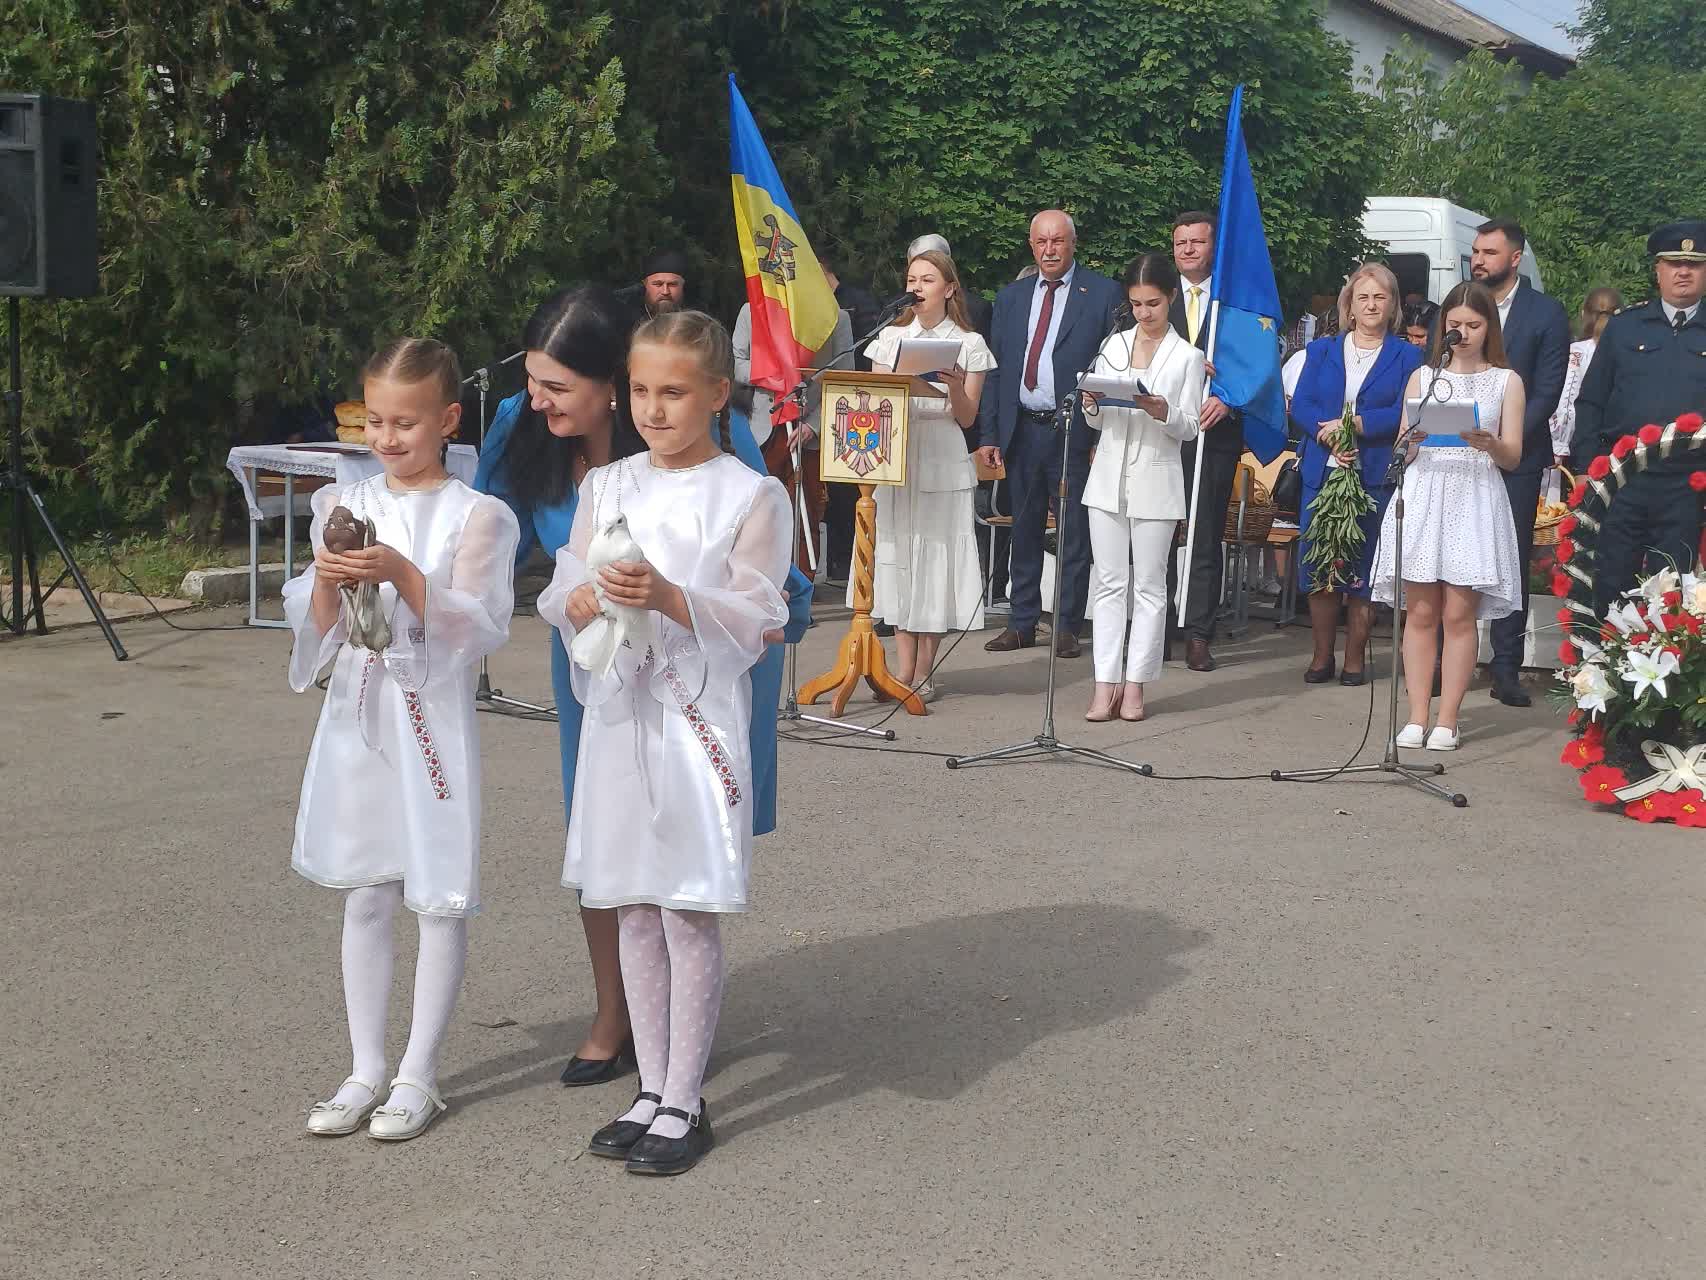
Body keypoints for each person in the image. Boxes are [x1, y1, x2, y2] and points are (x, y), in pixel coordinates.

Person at [475, 287, 810, 1089]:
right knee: (609, 847)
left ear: (605, 385)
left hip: (702, 671)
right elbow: (497, 538)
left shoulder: (724, 463)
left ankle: (676, 1072)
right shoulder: (545, 443)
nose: (537, 400)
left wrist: (688, 604)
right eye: (531, 381)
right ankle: (622, 1026)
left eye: (556, 385)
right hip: (602, 670)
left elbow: (765, 587)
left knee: (686, 868)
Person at [539, 310, 792, 1176]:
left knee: (684, 906)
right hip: (621, 717)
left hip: (694, 724)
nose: (653, 409)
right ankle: (649, 1086)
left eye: (674, 393)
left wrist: (672, 597)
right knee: (633, 905)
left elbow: (760, 613)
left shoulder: (749, 495)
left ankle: (686, 1095)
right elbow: (567, 578)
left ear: (717, 394)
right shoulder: (607, 485)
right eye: (641, 390)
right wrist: (577, 599)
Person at [285, 339, 521, 1141]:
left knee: (437, 892)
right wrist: (328, 580)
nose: (387, 438)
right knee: (367, 888)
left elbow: (480, 625)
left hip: (430, 717)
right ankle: (364, 1066)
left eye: (406, 424)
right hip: (360, 713)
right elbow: (318, 626)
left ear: (448, 420)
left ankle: (420, 1071)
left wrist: (403, 574)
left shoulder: (477, 515)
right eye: (376, 421)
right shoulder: (341, 501)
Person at [1370, 282, 1526, 751]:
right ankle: (1416, 715)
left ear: (1489, 327)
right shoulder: (1424, 377)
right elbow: (1401, 446)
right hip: (1425, 491)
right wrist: (1410, 442)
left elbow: (1514, 455)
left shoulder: (1506, 381)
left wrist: (1490, 443)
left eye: (1473, 325)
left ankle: (1448, 719)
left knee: (1459, 613)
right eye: (1455, 324)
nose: (1463, 333)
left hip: (1473, 493)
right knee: (1420, 611)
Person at [976, 209, 1122, 658]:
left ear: (1073, 243)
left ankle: (1067, 625)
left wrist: (1099, 437)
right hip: (1022, 428)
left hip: (1073, 430)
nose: (1050, 250)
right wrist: (990, 434)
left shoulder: (1101, 293)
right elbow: (996, 371)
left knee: (1073, 531)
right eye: (1041, 242)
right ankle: (1022, 622)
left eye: (1058, 241)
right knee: (1023, 528)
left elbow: (1112, 368)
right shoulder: (1011, 297)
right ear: (1031, 245)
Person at [863, 248, 994, 701]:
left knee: (934, 557)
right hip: (898, 450)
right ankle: (901, 667)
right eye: (912, 280)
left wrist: (955, 385)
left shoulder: (969, 342)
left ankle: (924, 670)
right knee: (899, 554)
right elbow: (876, 397)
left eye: (928, 280)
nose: (917, 287)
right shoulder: (890, 337)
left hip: (942, 448)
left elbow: (967, 416)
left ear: (949, 289)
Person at [1080, 252, 1204, 722]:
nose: (1143, 313)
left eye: (1152, 303)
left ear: (1170, 298)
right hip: (1108, 478)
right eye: (1135, 304)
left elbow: (1190, 426)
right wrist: (1091, 403)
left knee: (1150, 586)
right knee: (1109, 583)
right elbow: (1096, 420)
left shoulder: (1188, 356)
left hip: (1157, 478)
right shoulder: (1113, 345)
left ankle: (1135, 685)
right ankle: (1104, 683)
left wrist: (1164, 412)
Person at [1291, 264, 1424, 685]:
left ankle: (1353, 659)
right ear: (1349, 305)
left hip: (1374, 475)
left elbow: (1407, 411)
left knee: (1363, 569)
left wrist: (1358, 425)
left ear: (1393, 306)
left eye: (1379, 297)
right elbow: (1302, 404)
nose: (1370, 305)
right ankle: (1321, 656)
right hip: (1323, 471)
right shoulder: (1321, 351)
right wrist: (1326, 433)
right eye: (1363, 297)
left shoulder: (1408, 356)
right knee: (1320, 567)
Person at [1572, 220, 1706, 615]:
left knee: (1673, 592)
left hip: (1687, 482)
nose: (1683, 272)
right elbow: (1591, 400)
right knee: (1611, 581)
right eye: (1674, 263)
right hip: (1624, 478)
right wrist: (1585, 467)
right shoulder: (1625, 327)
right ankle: (1605, 655)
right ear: (1658, 270)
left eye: (1694, 264)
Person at [1469, 219, 1571, 707]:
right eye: (1475, 251)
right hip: (1459, 453)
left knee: (1508, 560)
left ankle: (1505, 666)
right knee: (1456, 557)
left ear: (1514, 258)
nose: (1478, 260)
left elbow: (1548, 390)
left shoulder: (1545, 313)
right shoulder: (1460, 303)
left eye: (1489, 253)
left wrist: (1504, 441)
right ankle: (1449, 659)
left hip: (1518, 457)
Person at [1166, 210, 1244, 672]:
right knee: (1158, 531)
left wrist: (1229, 398)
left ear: (1213, 247)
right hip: (1163, 431)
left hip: (1215, 431)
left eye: (1197, 242)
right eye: (1181, 243)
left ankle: (1198, 632)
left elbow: (1254, 361)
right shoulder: (1160, 296)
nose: (1188, 249)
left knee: (1204, 534)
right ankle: (1158, 628)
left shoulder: (1236, 300)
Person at [732, 298, 854, 574]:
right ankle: (759, 582)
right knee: (758, 514)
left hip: (809, 429)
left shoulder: (837, 318)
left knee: (806, 515)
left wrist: (815, 425)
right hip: (762, 427)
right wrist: (770, 373)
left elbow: (844, 379)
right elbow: (737, 363)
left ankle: (803, 586)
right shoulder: (752, 309)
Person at [1547, 287, 1622, 490]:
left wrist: (1558, 446)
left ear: (1583, 314)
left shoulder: (1575, 353)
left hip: (1578, 450)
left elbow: (1565, 404)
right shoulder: (1627, 352)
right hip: (1617, 447)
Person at [615, 249, 689, 327]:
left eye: (672, 284)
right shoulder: (626, 322)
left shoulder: (694, 322)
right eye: (658, 284)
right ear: (645, 284)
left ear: (683, 285)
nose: (665, 291)